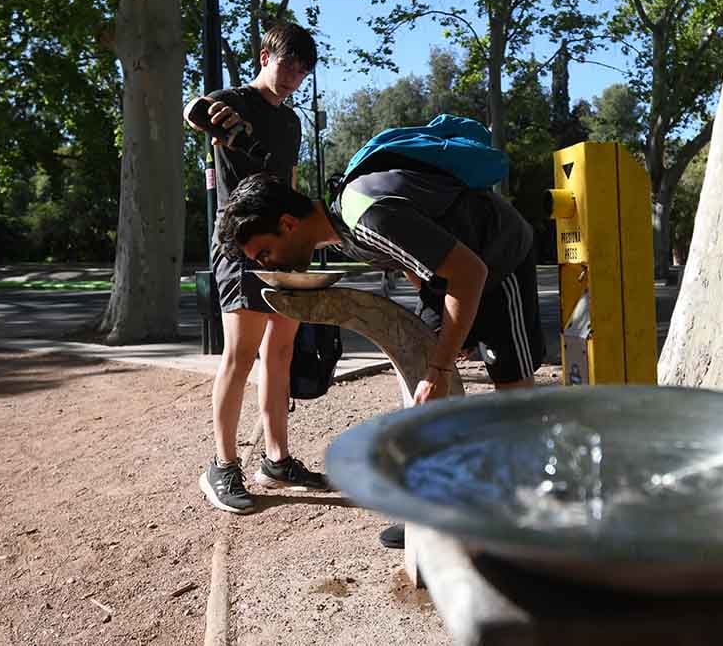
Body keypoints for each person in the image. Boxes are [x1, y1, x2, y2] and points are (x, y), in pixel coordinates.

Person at [216, 142, 546, 545]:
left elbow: (471, 272)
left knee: (510, 385)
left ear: (287, 223)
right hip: (455, 272)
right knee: (421, 379)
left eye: (265, 253)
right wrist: (443, 327)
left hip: (497, 258)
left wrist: (441, 364)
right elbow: (411, 260)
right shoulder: (341, 232)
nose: (270, 265)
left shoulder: (367, 216)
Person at [189, 22, 328, 516]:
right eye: (288, 63)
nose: (295, 75)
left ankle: (277, 458)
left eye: (303, 69)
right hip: (241, 246)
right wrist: (212, 115)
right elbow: (196, 111)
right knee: (239, 356)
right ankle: (222, 466)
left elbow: (288, 182)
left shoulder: (290, 124)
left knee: (282, 350)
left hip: (285, 245)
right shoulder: (234, 100)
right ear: (265, 55)